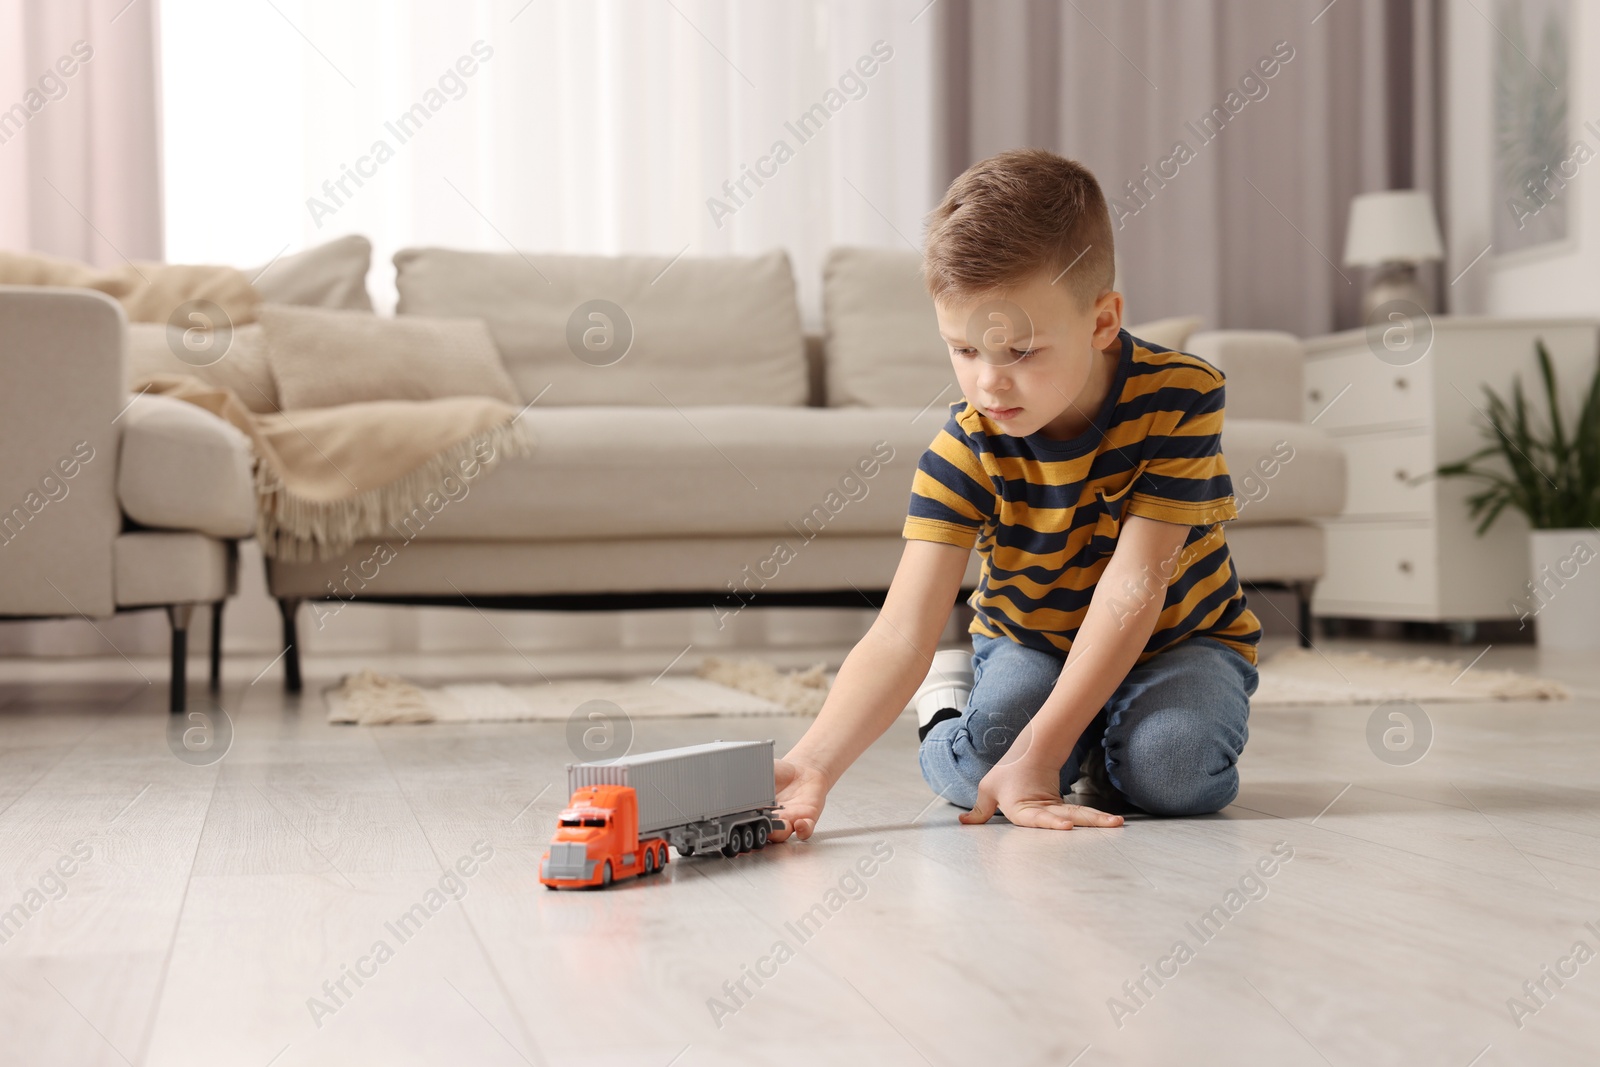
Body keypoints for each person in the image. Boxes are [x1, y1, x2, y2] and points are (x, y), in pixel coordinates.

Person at [770, 148, 1261, 839]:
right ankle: (959, 713)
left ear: (1101, 321)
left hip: (1179, 640)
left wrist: (1043, 750)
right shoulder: (964, 449)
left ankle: (1086, 739)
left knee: (1172, 774)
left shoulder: (1182, 396)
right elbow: (902, 629)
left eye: (1021, 352)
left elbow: (1133, 588)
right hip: (1033, 641)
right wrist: (811, 762)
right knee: (982, 774)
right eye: (965, 351)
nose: (989, 385)